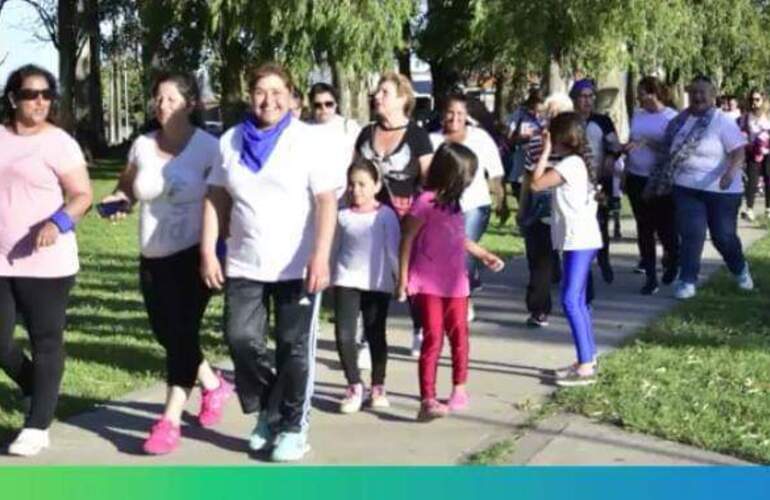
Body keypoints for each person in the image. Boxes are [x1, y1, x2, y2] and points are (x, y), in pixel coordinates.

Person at [200, 62, 337, 462]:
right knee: (241, 339)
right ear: (250, 95)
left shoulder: (308, 141)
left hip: (298, 265)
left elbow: (326, 200)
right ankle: (271, 411)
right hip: (245, 261)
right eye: (261, 90)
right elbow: (216, 198)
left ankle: (293, 426)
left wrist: (321, 255)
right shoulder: (230, 141)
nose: (269, 100)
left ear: (293, 97)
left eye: (279, 92)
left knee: (293, 348)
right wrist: (209, 250)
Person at [100, 72, 233, 455]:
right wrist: (119, 201)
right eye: (158, 99)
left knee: (180, 335)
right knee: (168, 334)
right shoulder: (142, 145)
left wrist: (220, 249)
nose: (162, 105)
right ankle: (213, 385)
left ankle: (169, 420)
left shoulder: (209, 148)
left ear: (190, 104)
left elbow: (223, 200)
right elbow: (128, 185)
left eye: (171, 99)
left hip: (196, 255)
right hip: (152, 256)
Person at [0, 64, 93, 456]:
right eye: (30, 94)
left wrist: (58, 223)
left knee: (46, 340)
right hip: (1, 260)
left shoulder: (59, 143)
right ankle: (38, 387)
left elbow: (82, 195)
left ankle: (38, 424)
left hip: (47, 262)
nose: (39, 101)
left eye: (46, 94)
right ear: (12, 98)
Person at [397, 143, 504, 420]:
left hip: (456, 282)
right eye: (467, 175)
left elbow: (457, 237)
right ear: (451, 173)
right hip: (428, 282)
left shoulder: (456, 204)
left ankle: (459, 388)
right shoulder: (425, 202)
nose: (469, 181)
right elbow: (407, 238)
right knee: (432, 337)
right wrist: (403, 278)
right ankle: (428, 398)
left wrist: (483, 254)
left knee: (460, 335)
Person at [646, 76, 753, 300]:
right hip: (686, 188)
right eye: (694, 92)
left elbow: (739, 152)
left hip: (722, 190)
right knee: (691, 233)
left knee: (723, 236)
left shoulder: (722, 121)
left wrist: (730, 173)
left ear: (713, 96)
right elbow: (669, 150)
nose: (697, 97)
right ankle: (687, 281)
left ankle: (740, 269)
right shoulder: (679, 121)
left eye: (702, 92)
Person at [355, 72, 434, 358]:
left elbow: (430, 179)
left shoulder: (417, 135)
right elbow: (354, 172)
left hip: (407, 218)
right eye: (377, 92)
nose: (377, 96)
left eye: (385, 92)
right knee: (372, 280)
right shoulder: (367, 133)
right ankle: (368, 338)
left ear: (403, 98)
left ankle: (419, 329)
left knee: (409, 277)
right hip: (370, 219)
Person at [530, 112, 602, 386]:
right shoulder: (576, 162)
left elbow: (536, 183)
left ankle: (585, 366)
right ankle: (588, 357)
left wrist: (545, 149)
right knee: (579, 301)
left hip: (579, 241)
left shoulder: (571, 164)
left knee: (571, 300)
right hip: (580, 239)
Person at [332, 159, 400, 414]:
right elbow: (332, 248)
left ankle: (378, 385)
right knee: (344, 335)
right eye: (352, 184)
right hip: (345, 280)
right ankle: (354, 384)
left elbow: (393, 250)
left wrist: (399, 280)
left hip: (376, 283)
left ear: (377, 186)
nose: (356, 190)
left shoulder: (385, 215)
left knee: (375, 334)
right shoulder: (342, 215)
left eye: (362, 184)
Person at [429, 93, 505, 321]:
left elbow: (495, 172)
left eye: (460, 113)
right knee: (448, 252)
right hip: (444, 207)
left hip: (474, 204)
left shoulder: (479, 138)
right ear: (443, 114)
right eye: (450, 112)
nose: (455, 118)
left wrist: (500, 198)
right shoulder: (433, 140)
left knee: (462, 248)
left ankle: (464, 297)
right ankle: (451, 294)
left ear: (467, 116)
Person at [516, 93, 573, 327]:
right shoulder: (537, 141)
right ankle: (539, 308)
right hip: (541, 205)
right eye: (548, 114)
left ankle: (580, 300)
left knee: (571, 256)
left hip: (568, 205)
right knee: (538, 259)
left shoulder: (576, 144)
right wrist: (522, 207)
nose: (552, 119)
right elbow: (529, 178)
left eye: (558, 114)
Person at [623, 76, 679, 295]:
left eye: (642, 92)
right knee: (644, 227)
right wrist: (626, 168)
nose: (638, 97)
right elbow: (632, 141)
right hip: (637, 177)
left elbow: (673, 150)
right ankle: (650, 276)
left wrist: (649, 143)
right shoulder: (638, 115)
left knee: (666, 227)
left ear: (653, 93)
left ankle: (673, 258)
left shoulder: (671, 117)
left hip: (661, 180)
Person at [570, 79, 622, 284]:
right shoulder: (568, 120)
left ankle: (603, 259)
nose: (587, 101)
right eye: (583, 96)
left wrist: (611, 158)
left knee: (600, 221)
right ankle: (573, 267)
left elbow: (615, 146)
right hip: (573, 181)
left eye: (591, 96)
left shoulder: (603, 121)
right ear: (574, 99)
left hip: (599, 179)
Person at [308, 82, 362, 199]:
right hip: (315, 197)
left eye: (328, 104)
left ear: (336, 104)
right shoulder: (303, 130)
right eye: (318, 105)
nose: (324, 108)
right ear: (312, 106)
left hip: (346, 196)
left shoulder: (349, 127)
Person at [506, 88, 545, 201]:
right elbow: (509, 139)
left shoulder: (546, 116)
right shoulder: (519, 114)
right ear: (531, 103)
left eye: (540, 111)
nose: (537, 114)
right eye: (535, 110)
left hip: (539, 168)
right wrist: (521, 138)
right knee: (522, 201)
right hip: (520, 166)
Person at [738, 88, 770, 221]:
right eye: (751, 99)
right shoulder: (746, 117)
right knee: (752, 179)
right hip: (753, 152)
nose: (754, 103)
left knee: (768, 177)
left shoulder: (768, 115)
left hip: (768, 152)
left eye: (757, 99)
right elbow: (740, 131)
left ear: (763, 101)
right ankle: (749, 209)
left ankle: (768, 208)